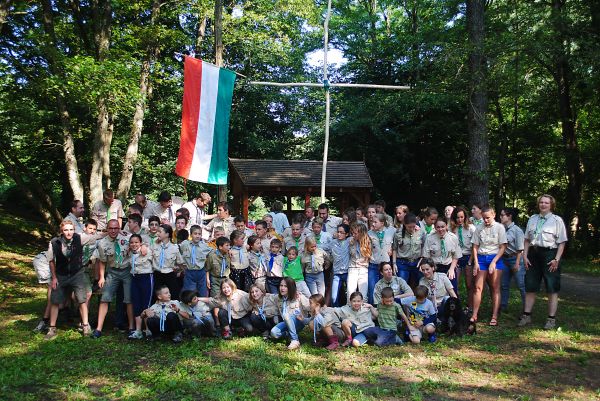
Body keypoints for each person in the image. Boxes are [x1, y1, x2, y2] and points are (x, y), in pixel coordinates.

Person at [519, 194, 567, 330]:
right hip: (533, 254)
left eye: (546, 203)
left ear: (551, 205)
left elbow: (562, 243)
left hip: (550, 254)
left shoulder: (557, 221)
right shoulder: (533, 219)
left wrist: (556, 259)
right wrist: (525, 255)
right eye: (541, 202)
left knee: (552, 287)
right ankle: (526, 315)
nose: (543, 205)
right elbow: (527, 239)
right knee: (530, 285)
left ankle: (551, 319)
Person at [43, 220, 92, 340]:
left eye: (71, 229)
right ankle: (52, 328)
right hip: (61, 275)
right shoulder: (54, 242)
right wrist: (54, 278)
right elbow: (51, 260)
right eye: (66, 230)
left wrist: (115, 231)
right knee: (55, 300)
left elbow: (97, 236)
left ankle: (85, 326)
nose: (69, 232)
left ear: (74, 230)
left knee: (82, 299)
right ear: (61, 231)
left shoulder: (80, 238)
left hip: (77, 274)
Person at [93, 219, 133, 338]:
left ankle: (131, 327)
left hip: (127, 271)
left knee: (128, 300)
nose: (113, 231)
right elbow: (102, 262)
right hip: (113, 272)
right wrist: (101, 278)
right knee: (105, 298)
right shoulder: (102, 243)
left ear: (119, 228)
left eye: (116, 228)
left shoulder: (128, 238)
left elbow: (138, 245)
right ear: (107, 229)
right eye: (111, 228)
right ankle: (98, 329)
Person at [472, 207, 507, 326]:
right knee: (477, 287)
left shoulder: (499, 227)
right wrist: (476, 263)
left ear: (494, 215)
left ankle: (494, 316)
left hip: (495, 257)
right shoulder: (479, 228)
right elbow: (475, 246)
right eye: (483, 218)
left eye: (488, 217)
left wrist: (494, 262)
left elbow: (503, 247)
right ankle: (474, 314)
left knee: (495, 287)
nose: (485, 220)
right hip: (481, 258)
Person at [124, 234, 154, 340]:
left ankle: (148, 330)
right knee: (136, 303)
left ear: (140, 243)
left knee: (146, 304)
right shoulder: (129, 253)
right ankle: (138, 331)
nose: (134, 244)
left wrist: (145, 246)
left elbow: (154, 260)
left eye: (136, 242)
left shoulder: (147, 251)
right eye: (132, 242)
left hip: (146, 278)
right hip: (135, 279)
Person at [422, 218, 462, 293]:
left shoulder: (453, 238)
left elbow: (456, 255)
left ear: (446, 226)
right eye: (438, 227)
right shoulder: (430, 238)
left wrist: (452, 269)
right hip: (435, 267)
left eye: (442, 227)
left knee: (452, 290)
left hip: (448, 266)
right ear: (435, 227)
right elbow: (426, 256)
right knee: (435, 291)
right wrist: (430, 270)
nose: (440, 229)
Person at [270, 277, 310, 350]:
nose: (282, 288)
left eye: (285, 286)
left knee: (286, 315)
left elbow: (310, 306)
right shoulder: (278, 298)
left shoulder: (298, 296)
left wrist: (310, 320)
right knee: (274, 333)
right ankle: (288, 334)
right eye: (281, 285)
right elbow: (266, 296)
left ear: (290, 287)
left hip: (299, 322)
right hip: (286, 322)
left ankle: (295, 340)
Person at [499, 207, 526, 314]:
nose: (500, 217)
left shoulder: (517, 230)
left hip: (515, 258)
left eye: (502, 215)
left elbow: (520, 248)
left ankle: (526, 309)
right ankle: (503, 306)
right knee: (504, 284)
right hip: (504, 259)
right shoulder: (501, 228)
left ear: (509, 216)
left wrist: (517, 263)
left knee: (521, 285)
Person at [450, 206, 476, 309]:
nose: (459, 220)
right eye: (457, 217)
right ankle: (456, 306)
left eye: (461, 217)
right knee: (454, 284)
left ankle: (470, 307)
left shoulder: (471, 228)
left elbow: (475, 246)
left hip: (468, 257)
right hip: (456, 258)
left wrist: (470, 261)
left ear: (465, 217)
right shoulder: (451, 228)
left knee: (469, 284)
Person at [151, 224, 185, 300]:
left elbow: (180, 263)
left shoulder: (174, 248)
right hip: (157, 275)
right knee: (156, 297)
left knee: (173, 296)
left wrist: (178, 270)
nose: (157, 233)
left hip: (169, 275)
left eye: (160, 231)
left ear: (167, 234)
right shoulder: (154, 245)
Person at [392, 213, 426, 288]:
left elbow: (424, 246)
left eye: (413, 226)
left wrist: (422, 258)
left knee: (419, 286)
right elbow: (394, 248)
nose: (411, 229)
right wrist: (394, 263)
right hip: (402, 263)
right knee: (402, 286)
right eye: (409, 227)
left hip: (417, 263)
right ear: (404, 224)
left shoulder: (420, 232)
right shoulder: (398, 233)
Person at [367, 214, 393, 304]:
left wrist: (417, 227)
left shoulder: (391, 231)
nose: (373, 224)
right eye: (372, 222)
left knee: (386, 289)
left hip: (386, 265)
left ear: (382, 223)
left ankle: (385, 310)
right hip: (373, 265)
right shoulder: (369, 233)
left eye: (375, 222)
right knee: (372, 288)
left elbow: (403, 232)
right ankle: (372, 310)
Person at [180, 225, 211, 297]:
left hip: (201, 272)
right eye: (195, 233)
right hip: (189, 272)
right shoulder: (185, 244)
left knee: (202, 293)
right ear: (191, 235)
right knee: (189, 294)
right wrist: (181, 267)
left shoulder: (204, 246)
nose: (197, 236)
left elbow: (213, 253)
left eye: (199, 234)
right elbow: (177, 251)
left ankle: (202, 307)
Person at [347, 223, 371, 303]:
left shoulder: (368, 241)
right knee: (350, 293)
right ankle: (349, 313)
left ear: (361, 233)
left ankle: (364, 312)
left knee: (363, 294)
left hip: (363, 269)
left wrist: (363, 263)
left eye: (355, 233)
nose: (353, 235)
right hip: (352, 268)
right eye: (352, 233)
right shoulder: (351, 241)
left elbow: (371, 257)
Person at [330, 224, 350, 307]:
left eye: (342, 232)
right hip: (337, 273)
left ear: (347, 234)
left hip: (347, 272)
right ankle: (336, 314)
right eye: (338, 232)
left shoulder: (349, 241)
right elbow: (323, 247)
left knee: (349, 295)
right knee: (333, 297)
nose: (339, 234)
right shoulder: (333, 242)